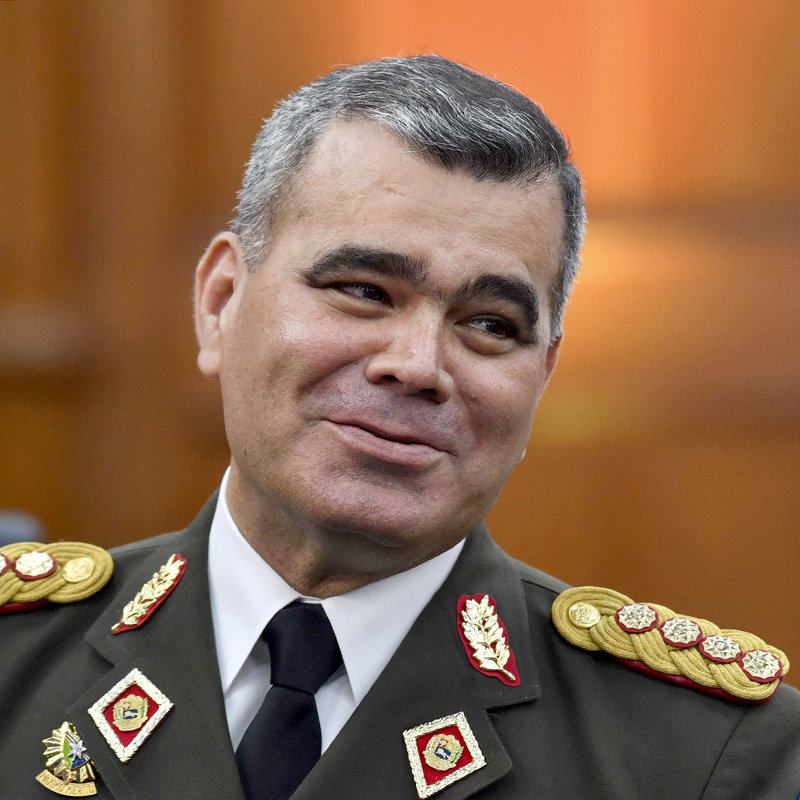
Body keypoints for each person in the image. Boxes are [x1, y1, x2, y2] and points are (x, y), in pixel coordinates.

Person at [2, 55, 798, 800]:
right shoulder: (18, 662)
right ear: (220, 303)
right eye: (363, 290)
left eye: (490, 324)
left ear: (542, 375)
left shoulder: (711, 757)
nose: (418, 365)